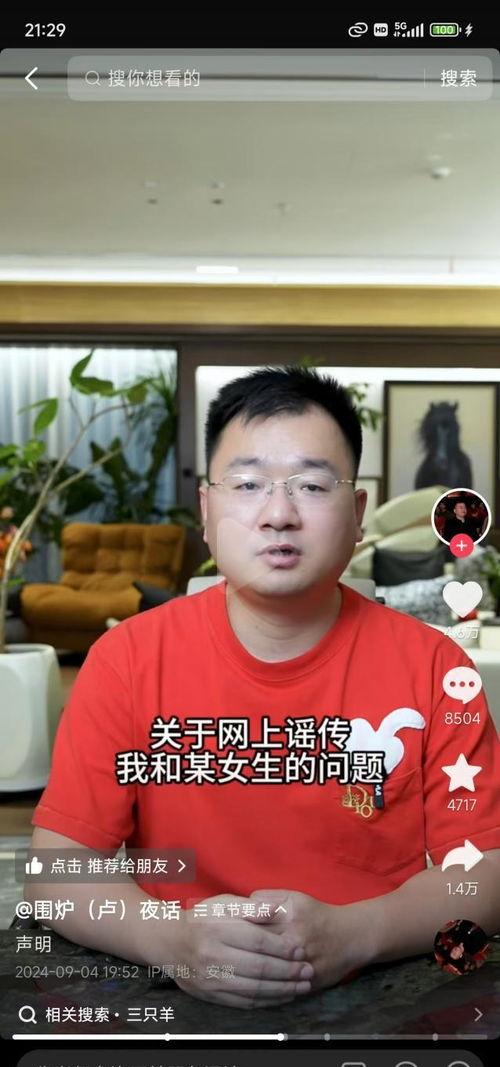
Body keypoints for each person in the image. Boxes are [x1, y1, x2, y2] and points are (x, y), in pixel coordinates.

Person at [25, 366, 500, 1011]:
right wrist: (171, 939)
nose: (279, 515)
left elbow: (484, 874)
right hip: (174, 995)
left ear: (357, 514)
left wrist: (356, 935)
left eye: (312, 485)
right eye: (247, 484)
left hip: (381, 994)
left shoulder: (437, 668)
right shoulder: (126, 660)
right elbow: (56, 873)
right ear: (206, 511)